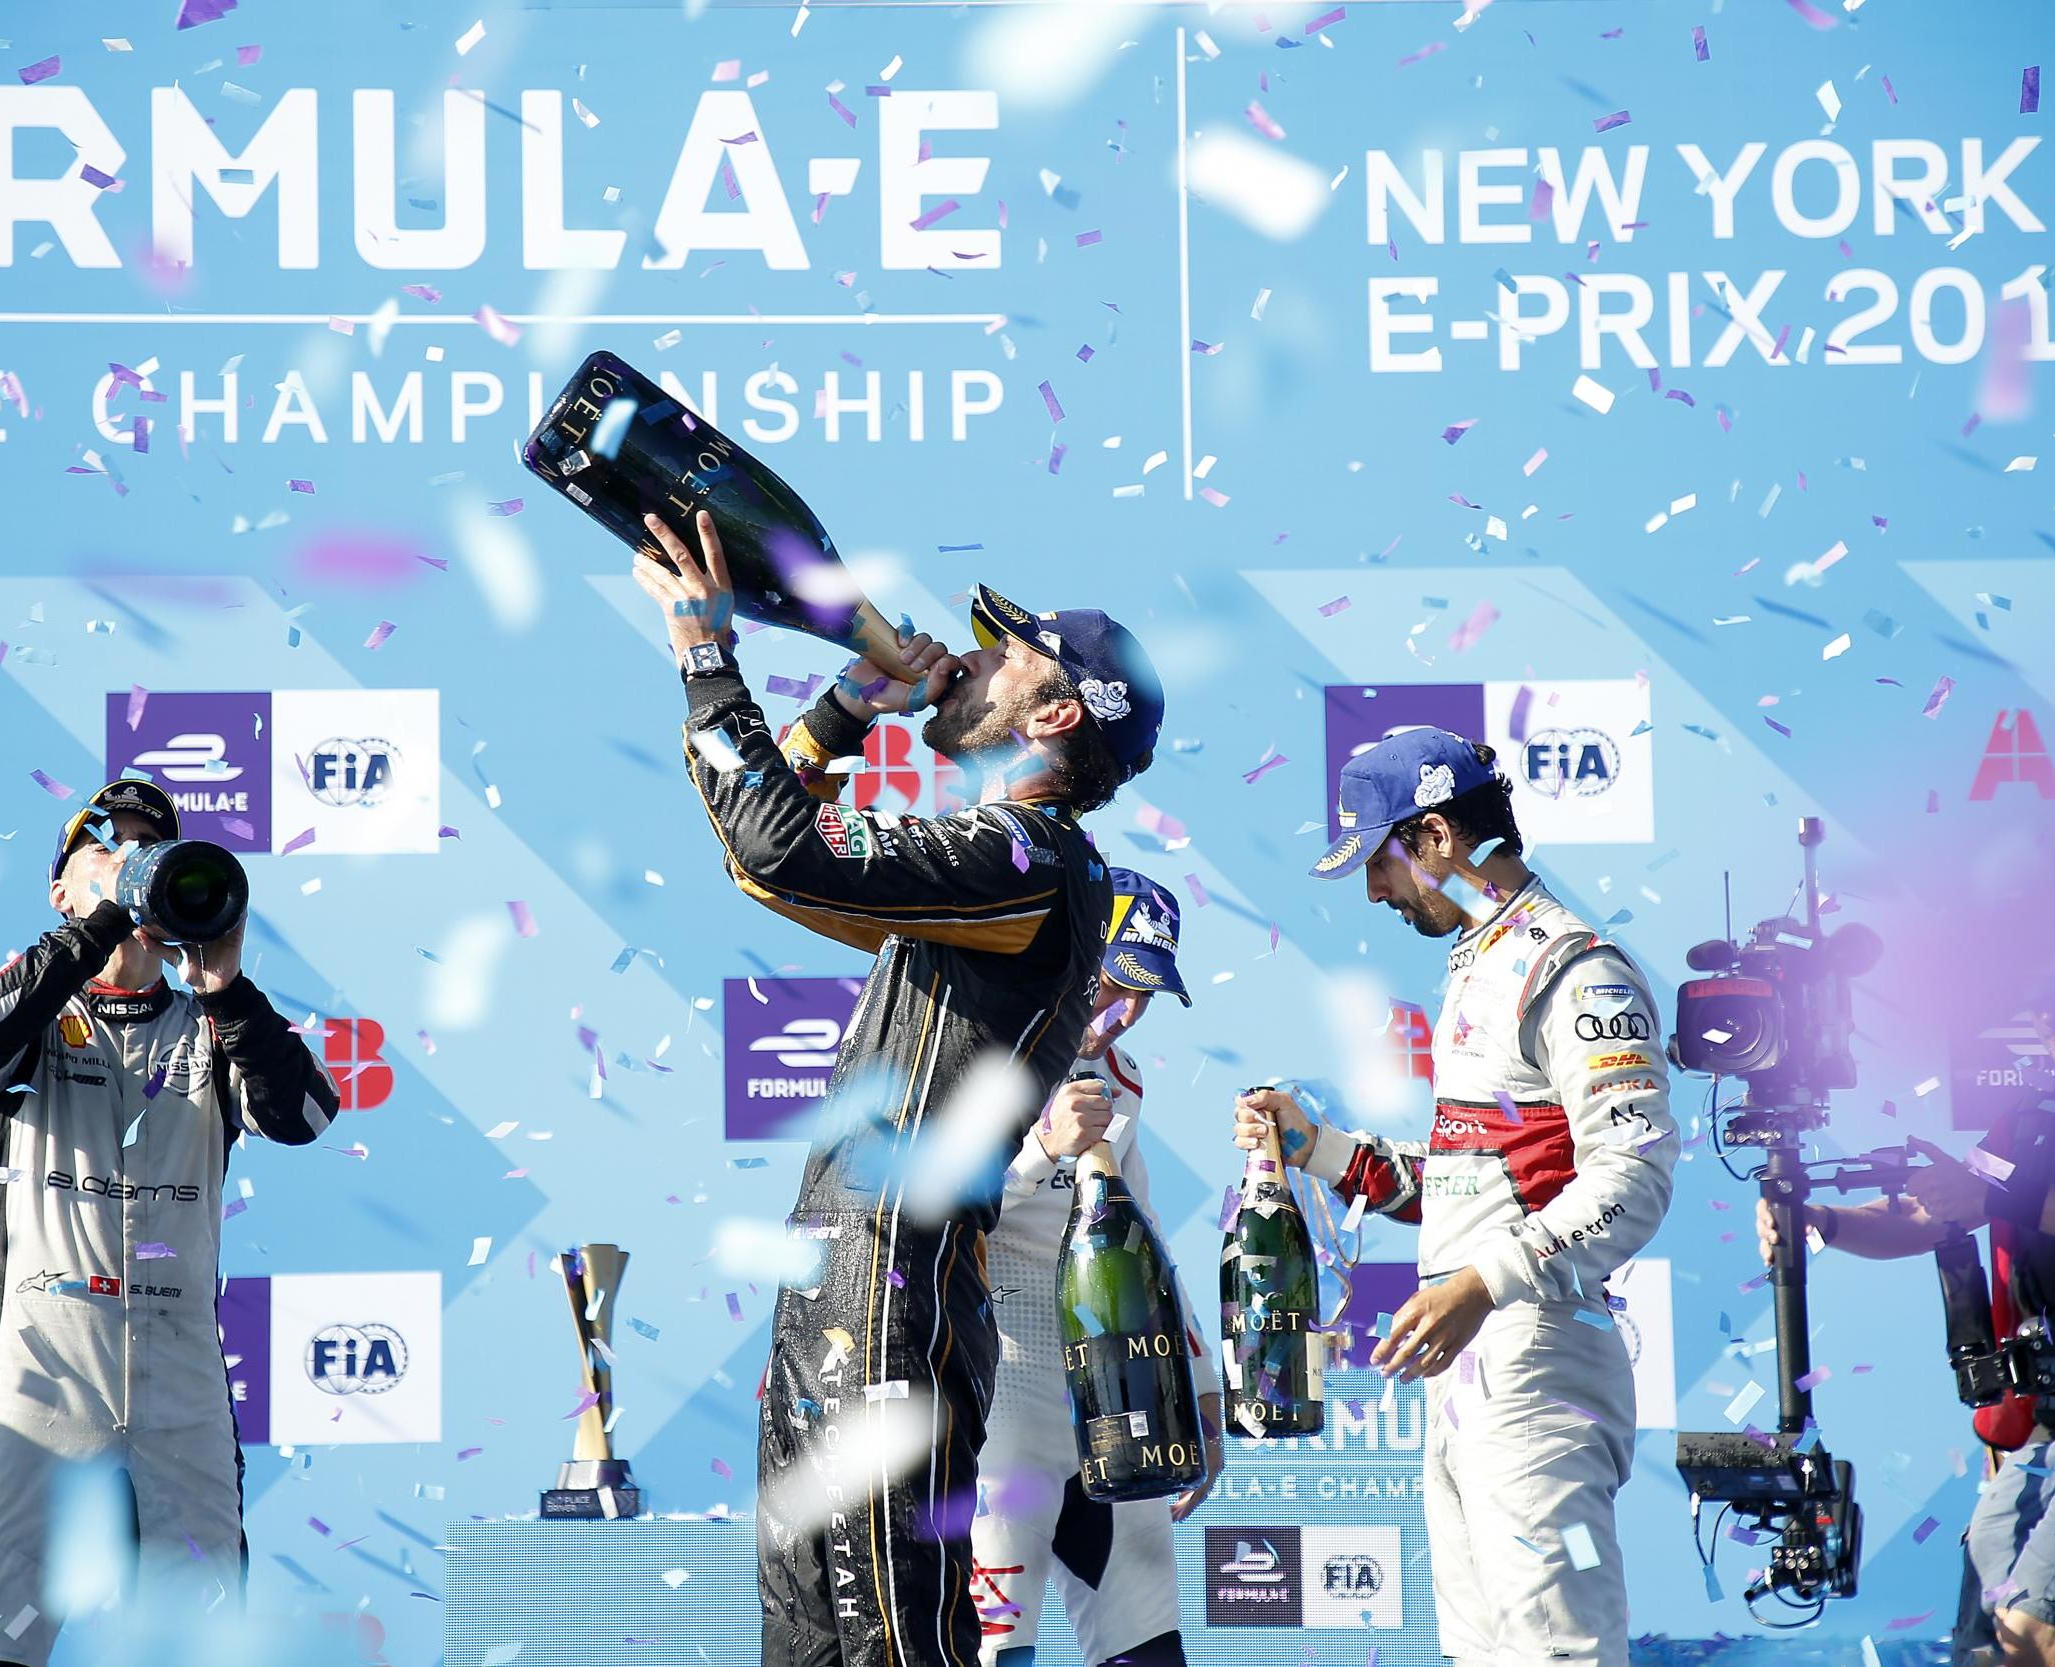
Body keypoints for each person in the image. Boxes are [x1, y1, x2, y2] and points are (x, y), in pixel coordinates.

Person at [630, 509, 1164, 1667]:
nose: (962, 660)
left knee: (895, 1644)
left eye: (999, 654)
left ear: (1054, 714)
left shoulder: (1034, 859)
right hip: (839, 1291)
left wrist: (705, 655)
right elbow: (763, 859)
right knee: (811, 1647)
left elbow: (782, 849)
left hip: (892, 1299)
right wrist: (836, 716)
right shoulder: (991, 861)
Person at [1234, 726, 1676, 1666]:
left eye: (1379, 860)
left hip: (1540, 1351)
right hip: (1480, 1370)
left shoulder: (1573, 967)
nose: (1373, 889)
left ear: (1436, 835)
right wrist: (1323, 1150)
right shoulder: (1482, 958)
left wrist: (1482, 1282)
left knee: (1561, 1653)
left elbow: (1633, 1178)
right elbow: (1476, 1183)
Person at [0, 779, 339, 1667]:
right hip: (43, 1377)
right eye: (107, 852)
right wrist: (96, 930)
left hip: (181, 1384)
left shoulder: (210, 1025)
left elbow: (306, 1115)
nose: (132, 869)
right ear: (61, 889)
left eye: (150, 852)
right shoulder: (27, 1006)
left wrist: (227, 986)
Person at [1754, 995, 2055, 1666]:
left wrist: (1995, 1198)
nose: (2045, 1020)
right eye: (2040, 1004)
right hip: (2040, 1430)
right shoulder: (2031, 1122)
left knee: (2030, 1635)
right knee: (1984, 1647)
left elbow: (1996, 1199)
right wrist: (1822, 1220)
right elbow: (1932, 1214)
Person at [968, 868, 1222, 1667]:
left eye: (1147, 994)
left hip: (1113, 1389)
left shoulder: (1124, 1082)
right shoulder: (974, 1048)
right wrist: (1039, 1145)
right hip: (1002, 1387)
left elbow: (1143, 1243)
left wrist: (1202, 1390)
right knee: (997, 1649)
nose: (1129, 1011)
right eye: (1118, 983)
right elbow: (918, 1219)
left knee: (1146, 1645)